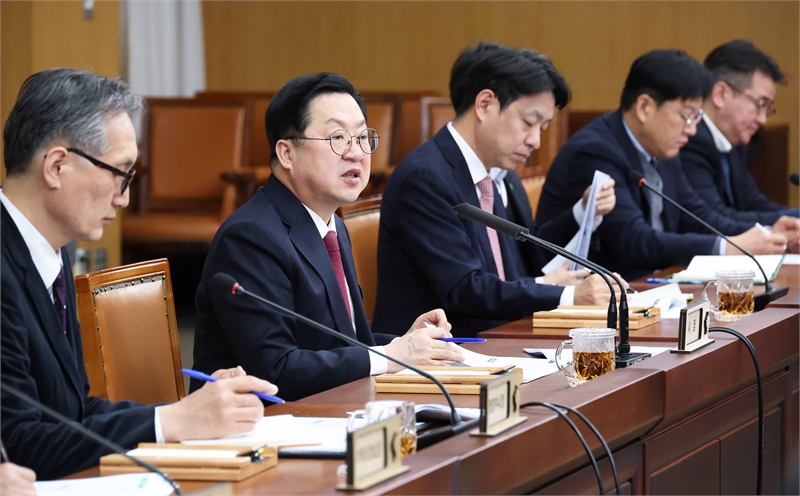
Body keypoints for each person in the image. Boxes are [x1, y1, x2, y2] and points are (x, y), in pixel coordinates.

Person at [1, 68, 278, 480]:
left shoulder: (50, 255)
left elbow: (73, 414)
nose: (125, 197)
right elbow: (18, 444)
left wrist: (188, 413)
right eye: (120, 172)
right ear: (57, 166)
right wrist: (173, 421)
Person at [190, 72, 464, 402]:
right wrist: (392, 355)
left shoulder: (331, 225)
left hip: (330, 409)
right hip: (263, 421)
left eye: (362, 138)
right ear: (287, 153)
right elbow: (274, 369)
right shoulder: (249, 237)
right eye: (338, 138)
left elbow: (342, 343)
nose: (356, 153)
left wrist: (405, 343)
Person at [373, 42, 624, 338]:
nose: (535, 141)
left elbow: (529, 255)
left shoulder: (501, 175)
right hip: (443, 348)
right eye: (528, 123)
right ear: (485, 105)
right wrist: (567, 295)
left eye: (542, 128)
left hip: (505, 335)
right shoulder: (425, 178)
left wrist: (582, 213)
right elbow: (465, 289)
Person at [536, 50, 800, 281]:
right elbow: (635, 241)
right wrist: (726, 247)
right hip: (585, 301)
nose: (692, 130)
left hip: (651, 289)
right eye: (687, 116)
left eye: (696, 118)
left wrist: (765, 235)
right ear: (645, 107)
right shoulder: (594, 151)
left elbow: (697, 216)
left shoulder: (663, 148)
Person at [680, 40, 798, 222]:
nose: (763, 119)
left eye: (767, 108)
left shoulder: (733, 138)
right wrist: (790, 221)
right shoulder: (689, 139)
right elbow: (714, 218)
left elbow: (752, 201)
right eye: (760, 104)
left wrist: (793, 220)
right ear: (721, 94)